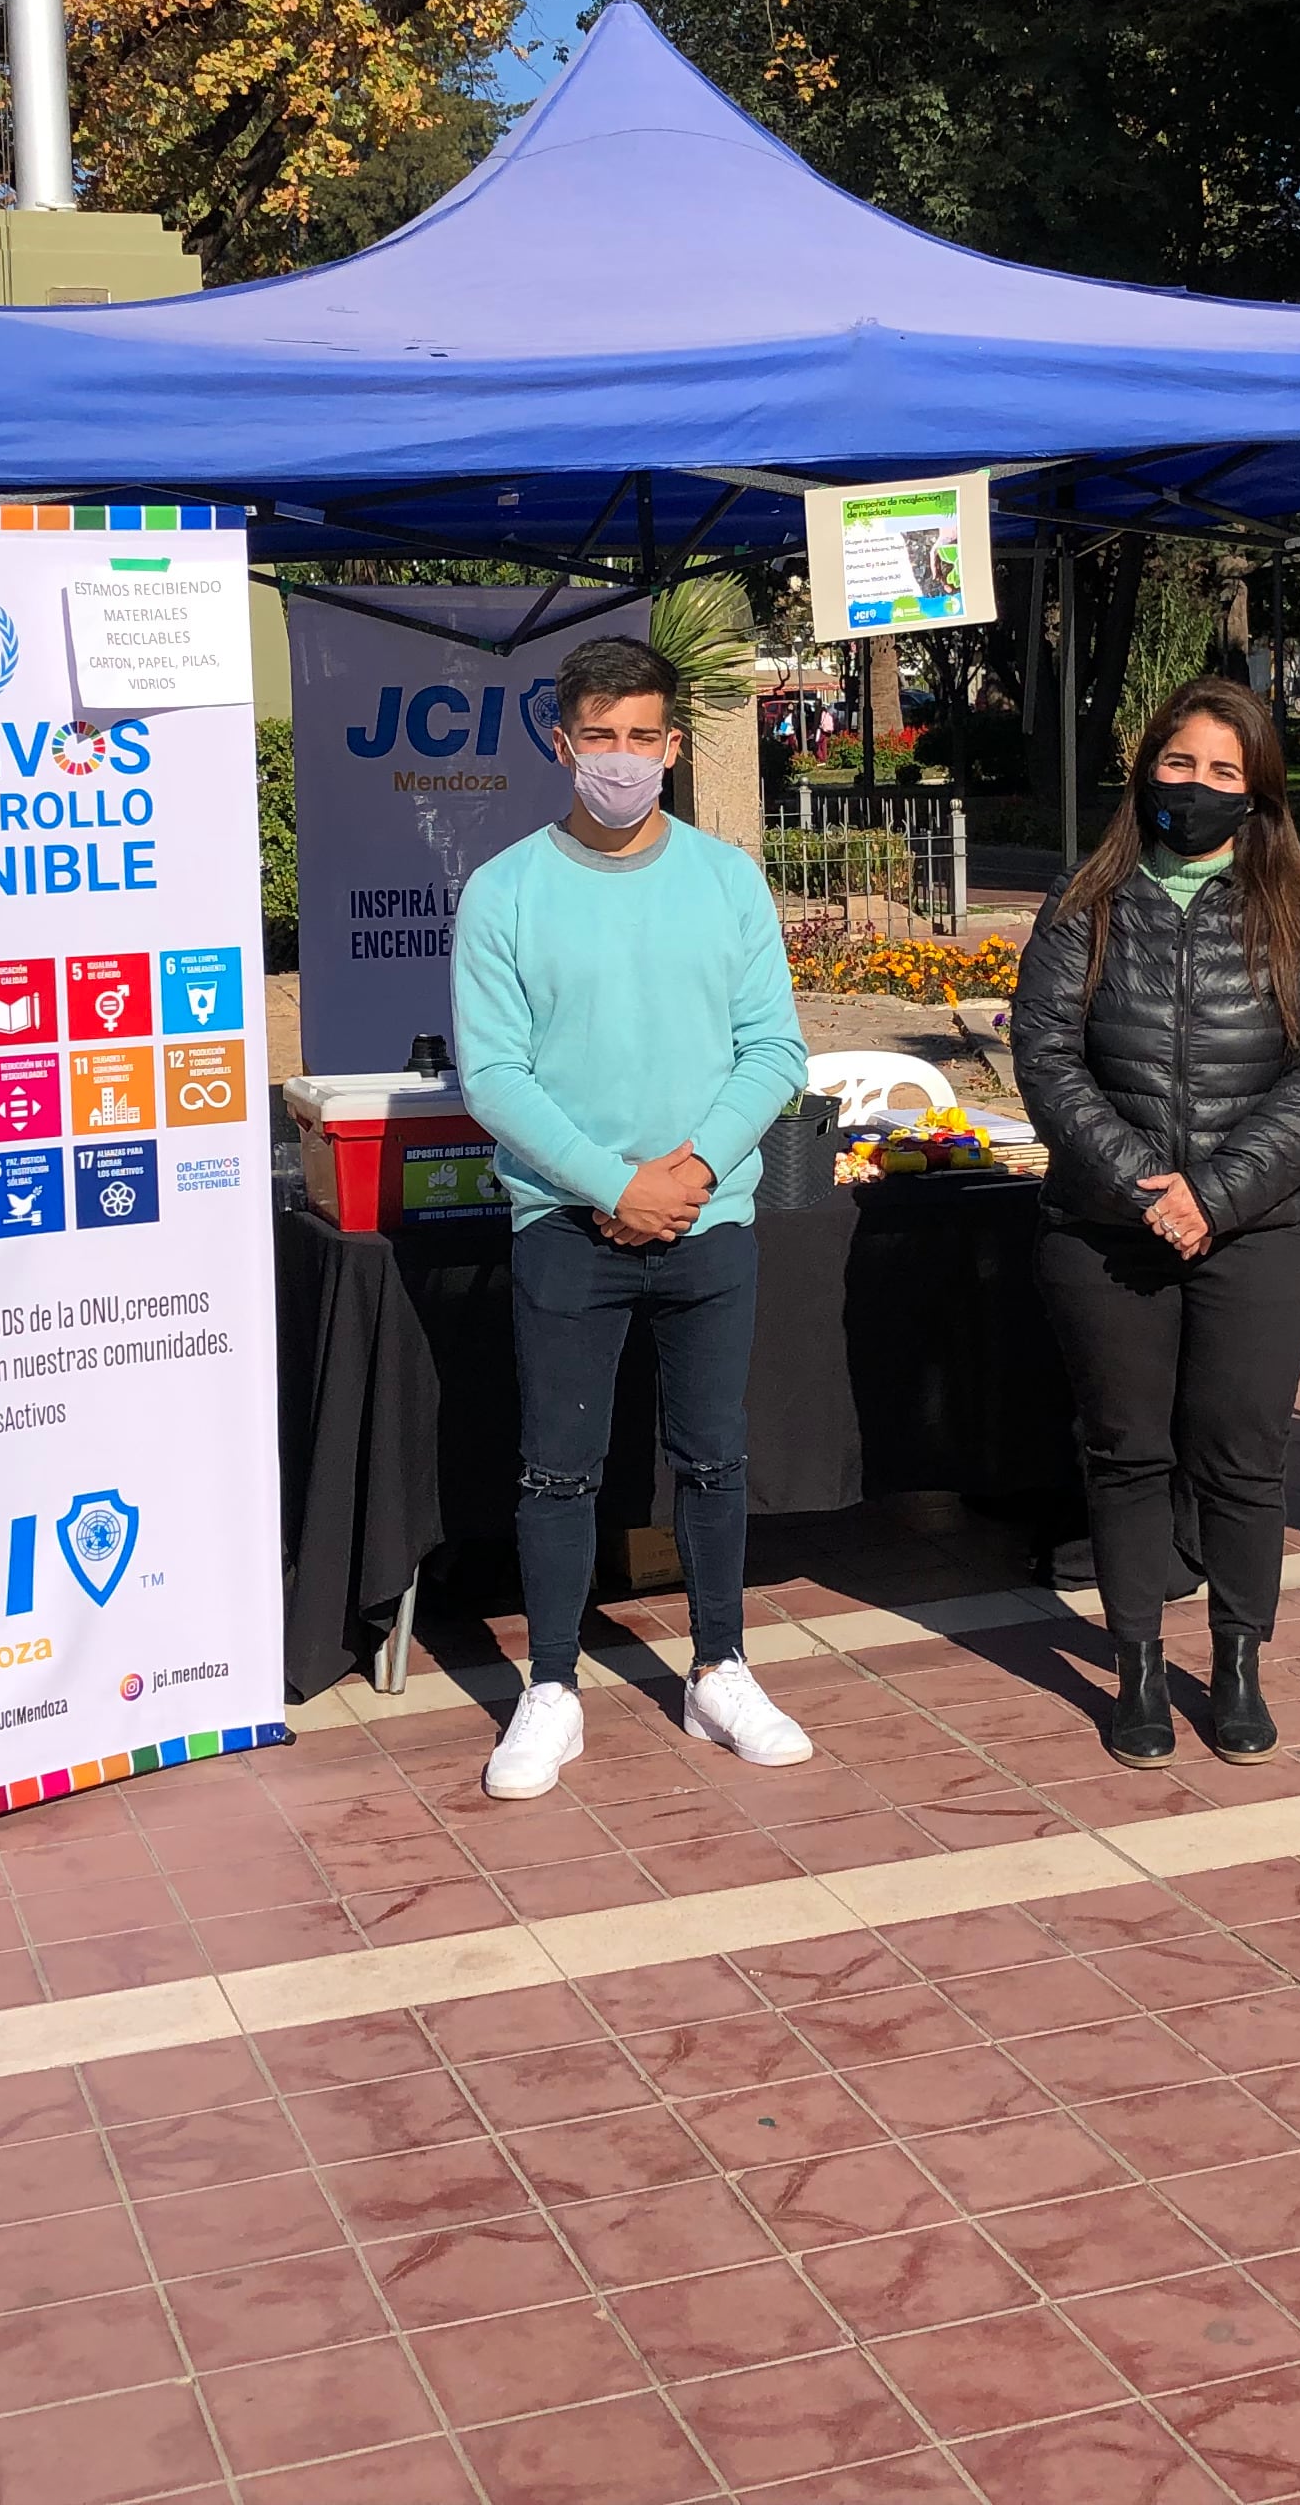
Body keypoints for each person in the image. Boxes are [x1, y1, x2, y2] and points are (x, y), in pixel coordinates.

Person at [452, 636, 816, 1800]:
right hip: (566, 1226)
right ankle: (550, 1690)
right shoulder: (505, 890)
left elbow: (775, 1051)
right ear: (563, 744)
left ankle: (720, 1668)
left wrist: (694, 1171)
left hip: (709, 1221)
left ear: (673, 746)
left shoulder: (724, 881)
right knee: (557, 1470)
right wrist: (615, 1188)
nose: (620, 759)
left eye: (641, 738)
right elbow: (495, 1078)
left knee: (713, 1458)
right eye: (597, 737)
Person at [1014, 678, 1300, 1767]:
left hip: (1254, 1231)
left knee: (1242, 1459)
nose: (1199, 787)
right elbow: (1048, 1061)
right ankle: (1138, 1668)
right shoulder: (1086, 905)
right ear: (1145, 769)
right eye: (1181, 764)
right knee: (1124, 1454)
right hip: (1105, 1229)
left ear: (1258, 790)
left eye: (1225, 771)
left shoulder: (1298, 915)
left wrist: (1213, 1195)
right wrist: (1141, 1185)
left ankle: (1240, 1658)